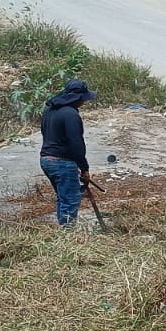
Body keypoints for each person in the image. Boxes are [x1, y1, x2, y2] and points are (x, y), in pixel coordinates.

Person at [40, 80, 95, 226]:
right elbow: (77, 144)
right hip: (62, 162)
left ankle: (63, 229)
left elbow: (44, 132)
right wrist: (84, 168)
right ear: (78, 98)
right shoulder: (71, 115)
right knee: (70, 200)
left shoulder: (50, 109)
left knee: (63, 198)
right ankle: (67, 232)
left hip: (46, 160)